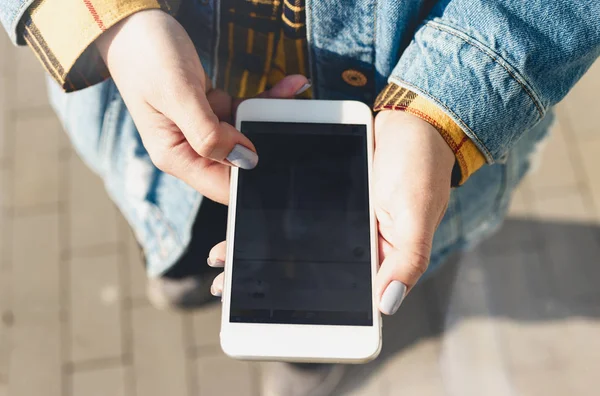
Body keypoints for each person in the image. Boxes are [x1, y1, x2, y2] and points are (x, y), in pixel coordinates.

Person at [1, 0, 598, 394]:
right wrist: (115, 23)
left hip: (415, 120)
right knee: (182, 229)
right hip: (151, 90)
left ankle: (307, 358)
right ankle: (170, 244)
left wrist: (444, 105)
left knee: (333, 289)